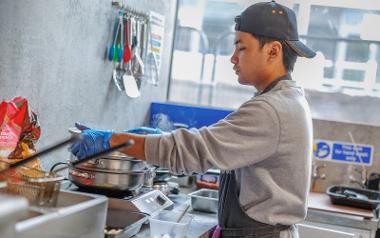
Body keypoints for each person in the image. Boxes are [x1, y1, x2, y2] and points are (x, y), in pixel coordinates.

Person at [70, 1, 315, 237]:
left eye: (241, 48)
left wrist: (112, 140)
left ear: (273, 50)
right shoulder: (285, 100)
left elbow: (194, 151)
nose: (233, 58)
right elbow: (217, 144)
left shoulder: (271, 110)